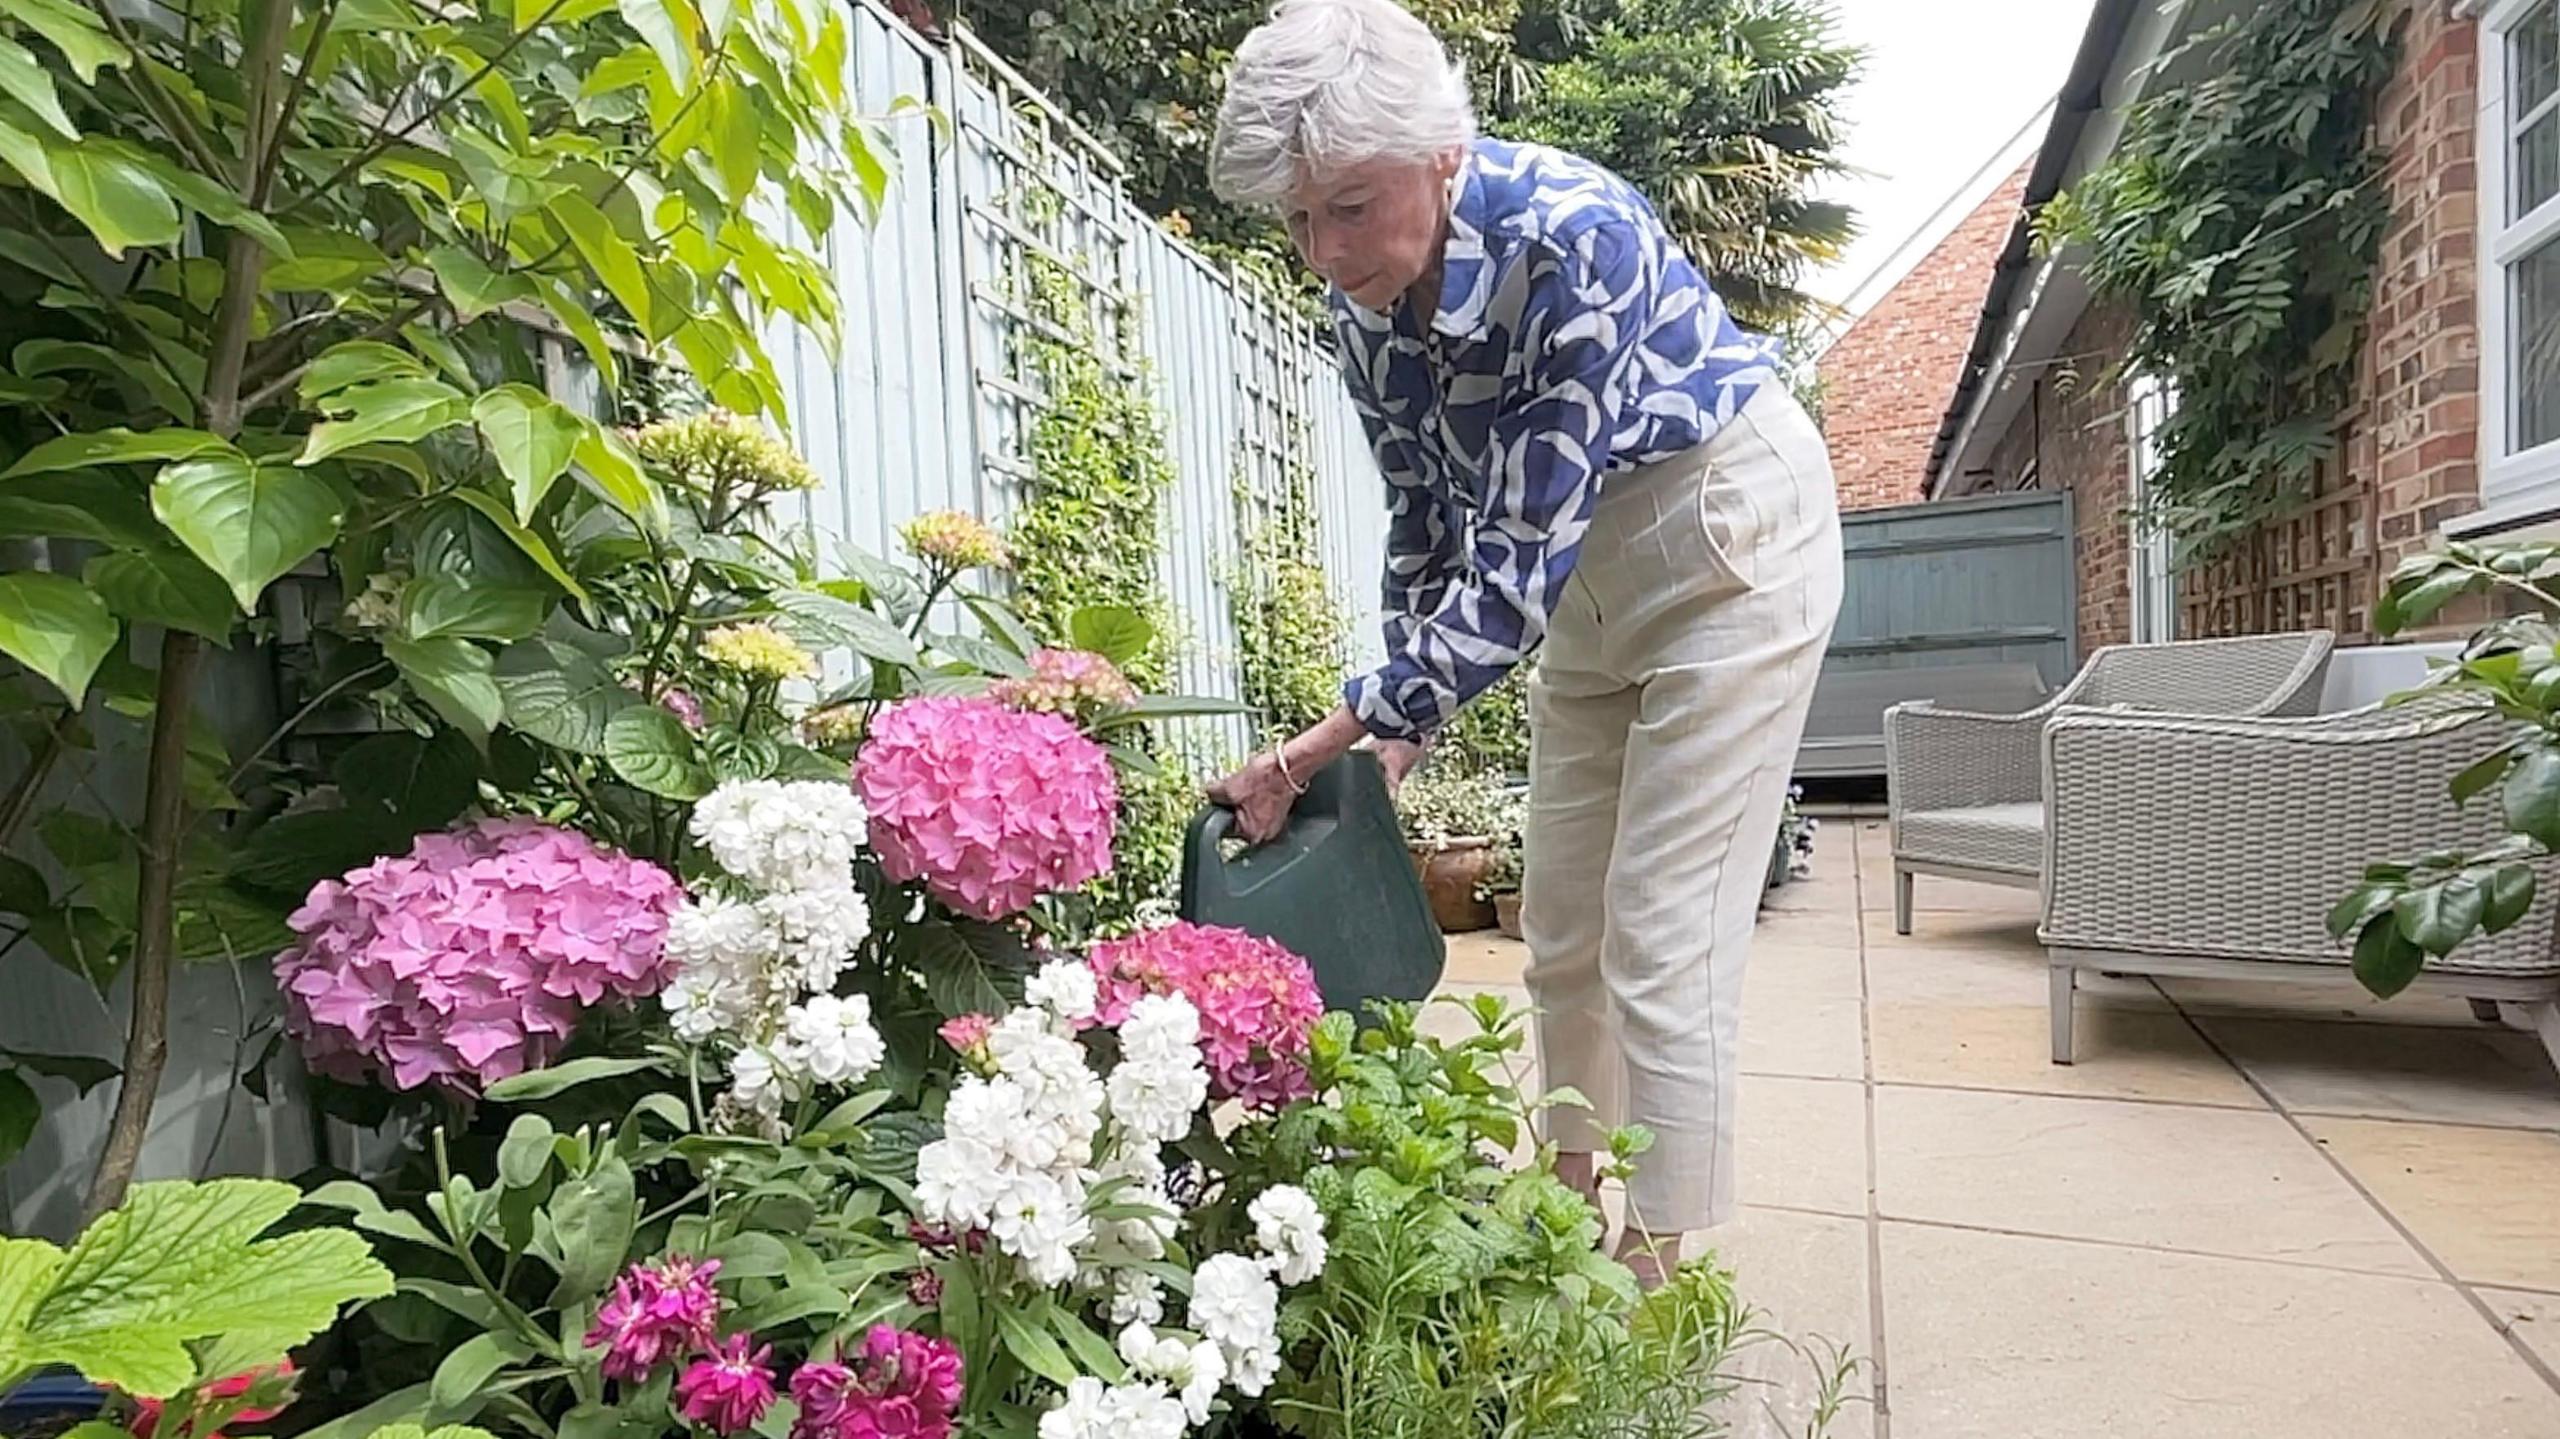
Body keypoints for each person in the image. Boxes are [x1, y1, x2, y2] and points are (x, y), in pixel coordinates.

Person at [1202, 0, 1844, 1284]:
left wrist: (1311, 748)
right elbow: (1429, 525)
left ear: (1439, 156)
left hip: (1726, 541)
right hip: (1582, 578)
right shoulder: (1366, 307)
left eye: (1348, 205)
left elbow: (1509, 571)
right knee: (1558, 916)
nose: (1324, 250)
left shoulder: (1572, 236)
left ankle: (1655, 1260)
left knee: (1662, 918)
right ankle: (1560, 1201)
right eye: (1296, 217)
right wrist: (1394, 738)